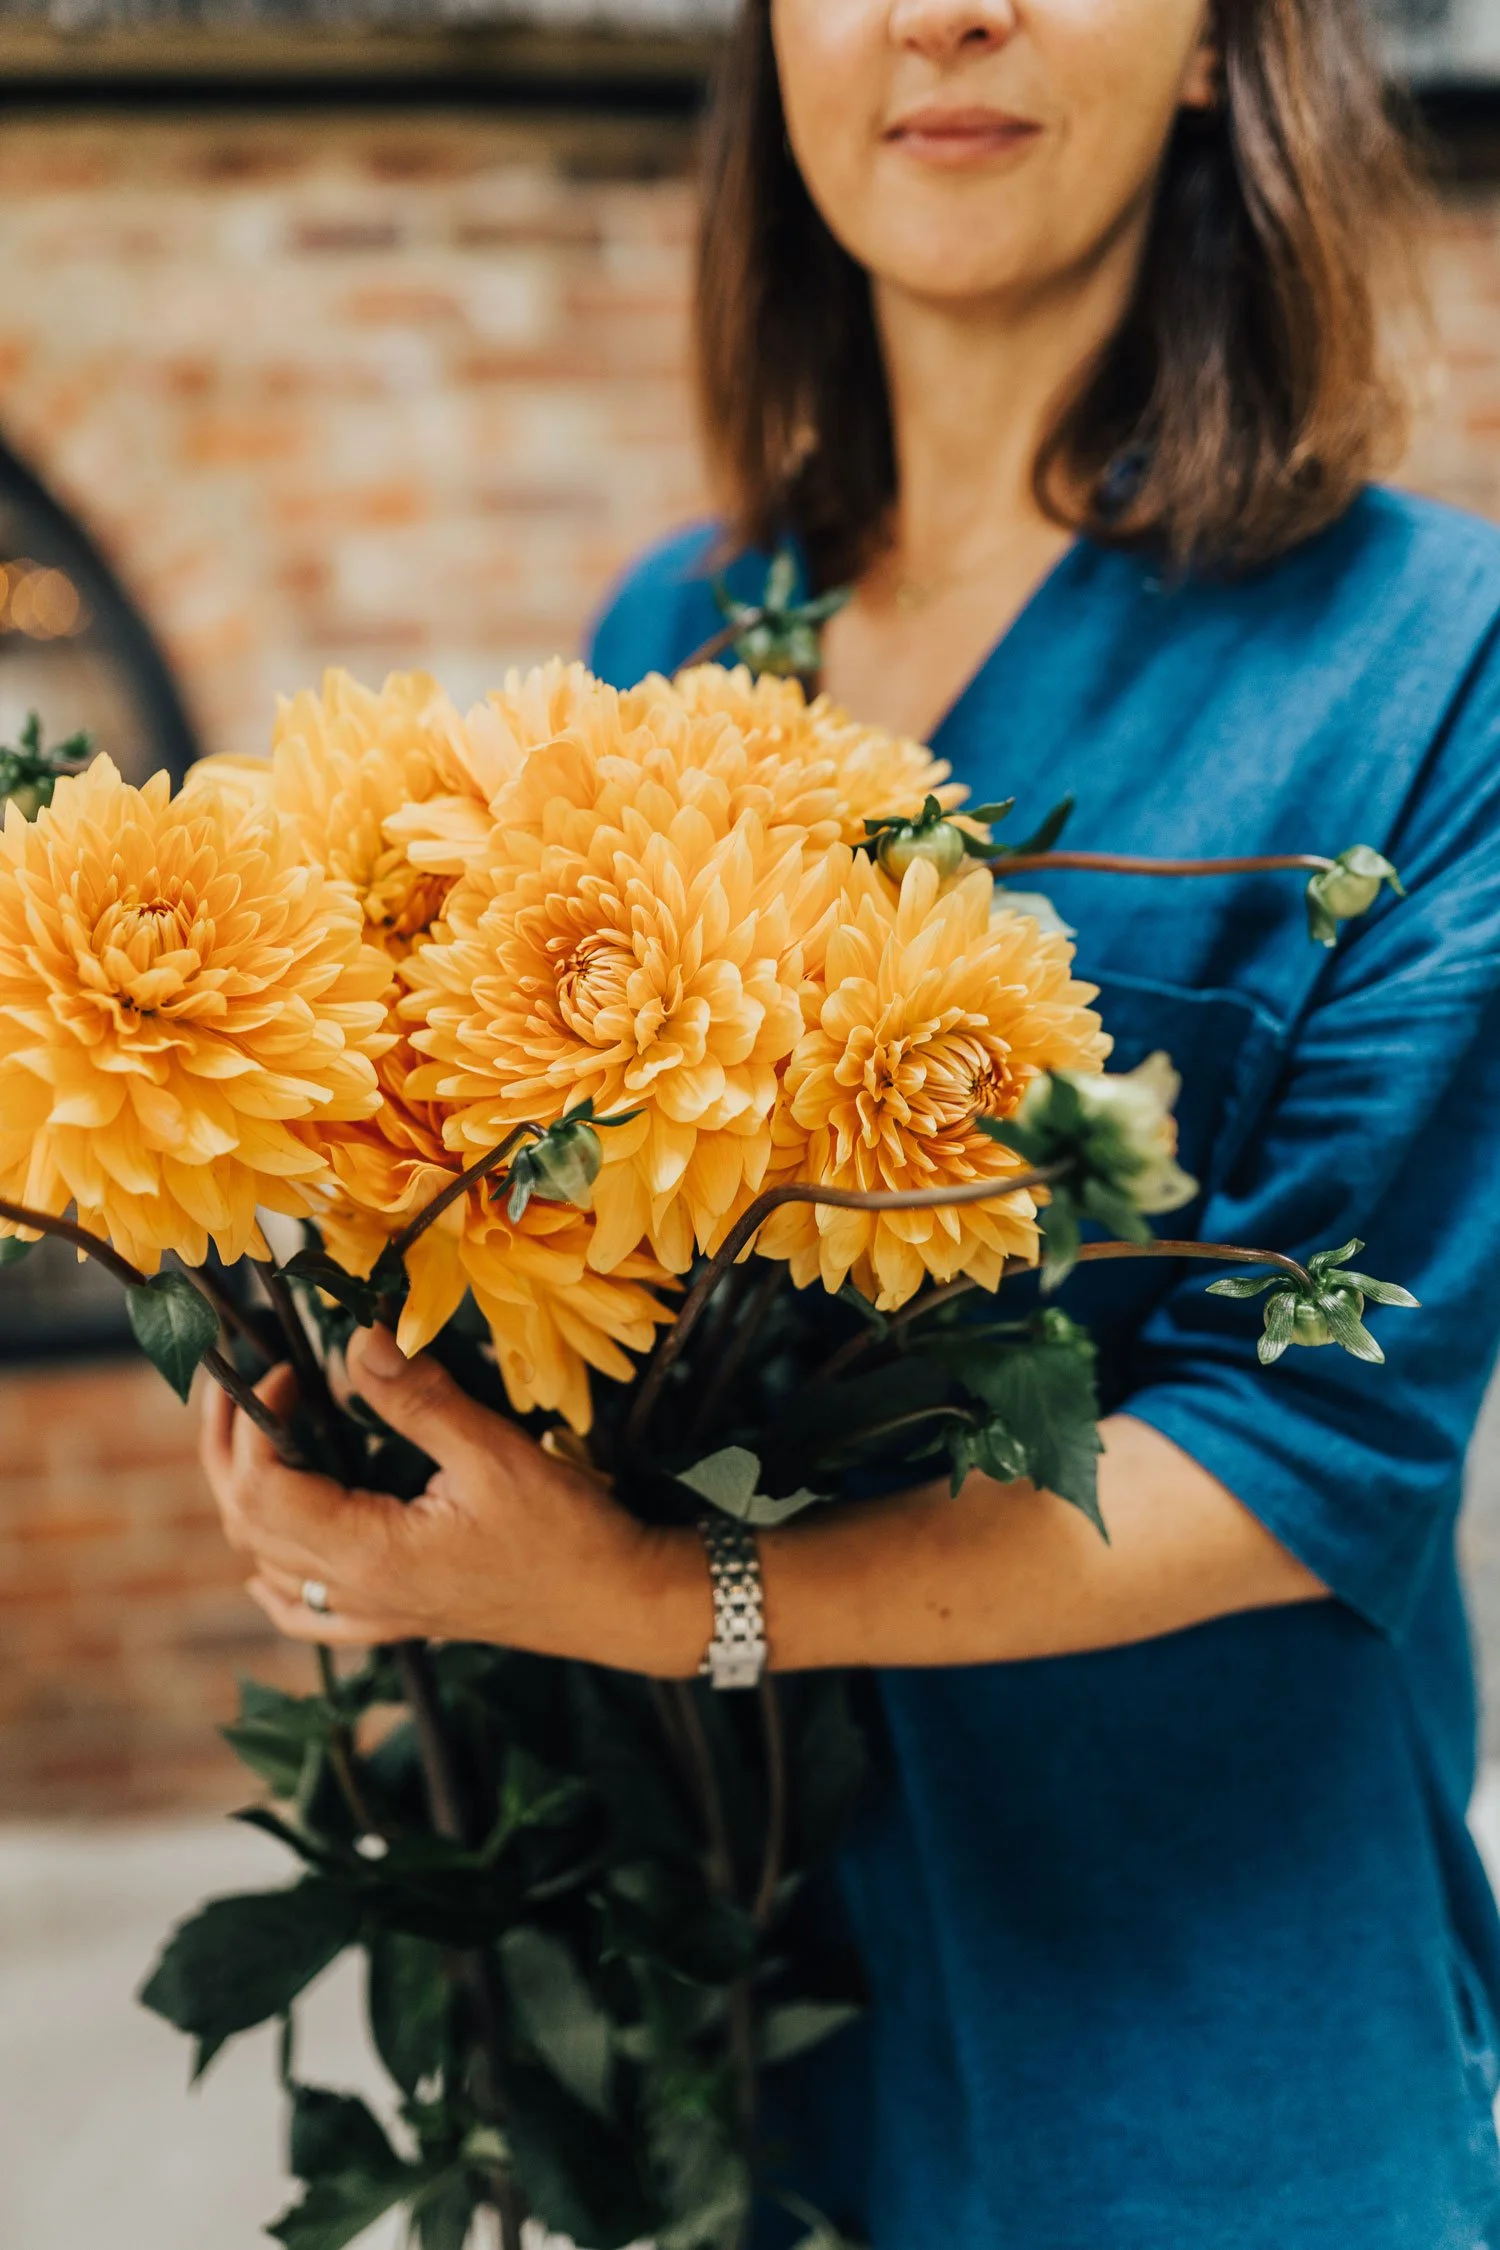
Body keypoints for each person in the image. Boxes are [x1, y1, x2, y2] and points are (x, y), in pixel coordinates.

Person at [201, 3, 1500, 2243]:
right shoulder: (676, 632)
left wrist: (667, 1599)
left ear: (1218, 46)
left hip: (1210, 2063)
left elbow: (1324, 1453)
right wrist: (384, 1448)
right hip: (736, 2033)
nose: (945, 10)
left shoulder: (1431, 663)